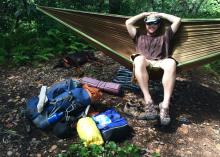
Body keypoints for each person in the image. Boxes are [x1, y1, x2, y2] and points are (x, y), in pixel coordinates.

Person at [125, 12, 181, 125]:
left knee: (171, 63)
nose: (152, 25)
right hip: (145, 62)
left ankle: (165, 105)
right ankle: (148, 100)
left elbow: (177, 20)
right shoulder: (138, 35)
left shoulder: (166, 35)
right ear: (145, 24)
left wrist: (161, 14)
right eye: (149, 23)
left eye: (155, 23)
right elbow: (128, 23)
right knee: (138, 59)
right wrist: (144, 14)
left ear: (159, 24)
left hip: (161, 62)